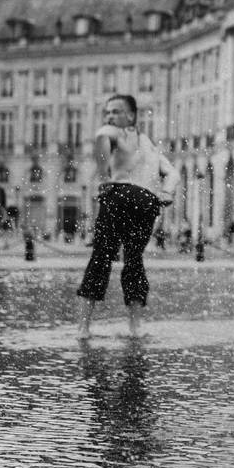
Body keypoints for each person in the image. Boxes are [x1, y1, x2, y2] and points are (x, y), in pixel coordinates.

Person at [76, 94, 176, 339]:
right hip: (147, 202)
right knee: (134, 260)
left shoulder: (115, 133)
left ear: (130, 115)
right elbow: (172, 173)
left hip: (119, 196)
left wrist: (103, 176)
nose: (110, 116)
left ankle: (84, 327)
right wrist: (166, 192)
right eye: (108, 112)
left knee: (100, 258)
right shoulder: (149, 145)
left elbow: (101, 139)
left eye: (115, 111)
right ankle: (134, 327)